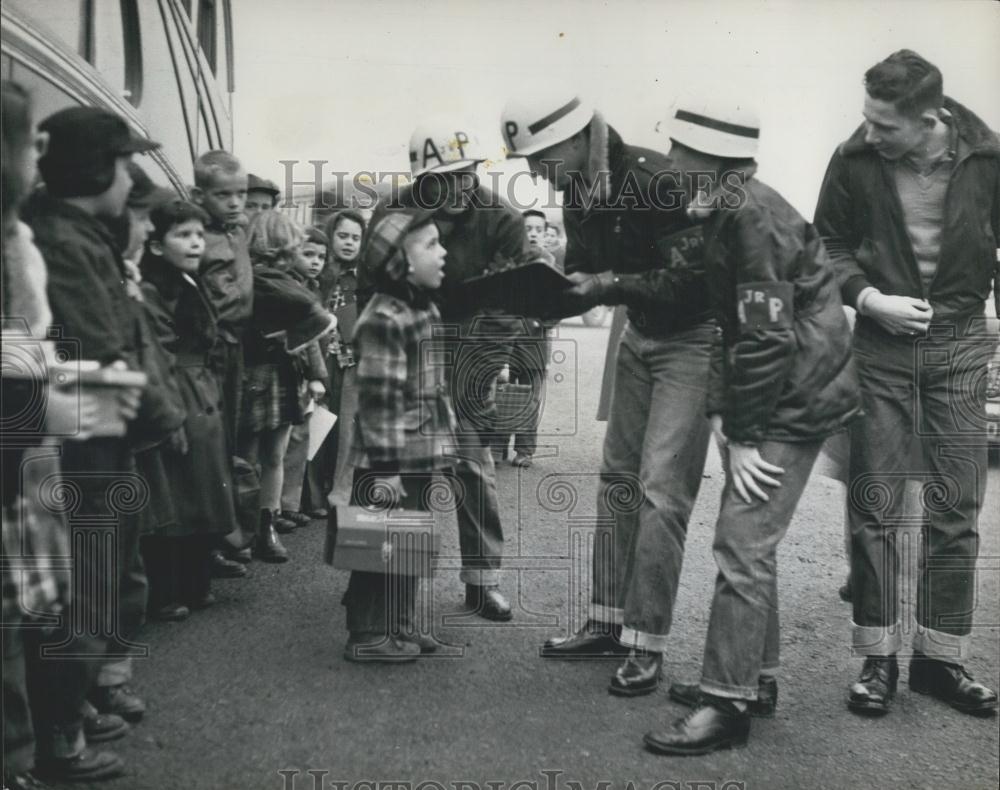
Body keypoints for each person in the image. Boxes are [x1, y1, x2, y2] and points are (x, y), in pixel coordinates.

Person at [641, 99, 859, 756]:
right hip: (788, 392)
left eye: (679, 154)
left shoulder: (749, 218)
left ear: (708, 162)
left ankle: (726, 705)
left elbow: (762, 339)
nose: (669, 165)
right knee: (749, 543)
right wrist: (717, 411)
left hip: (796, 398)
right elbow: (726, 328)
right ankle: (750, 679)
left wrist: (739, 433)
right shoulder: (729, 210)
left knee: (741, 545)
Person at [501, 92, 713, 694]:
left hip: (694, 341)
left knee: (662, 493)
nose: (534, 174)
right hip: (639, 336)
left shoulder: (653, 177)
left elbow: (689, 281)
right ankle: (607, 621)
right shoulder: (576, 193)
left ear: (573, 142)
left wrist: (604, 283)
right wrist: (547, 289)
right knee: (617, 480)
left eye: (540, 159)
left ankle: (647, 643)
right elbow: (587, 273)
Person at [814, 49, 999, 717]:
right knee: (875, 503)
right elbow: (826, 244)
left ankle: (939, 661)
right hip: (880, 345)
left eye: (883, 125)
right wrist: (867, 299)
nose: (869, 133)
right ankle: (878, 658)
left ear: (929, 120)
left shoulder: (989, 159)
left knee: (957, 508)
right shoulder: (854, 158)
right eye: (865, 118)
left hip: (958, 343)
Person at [21, 105, 155, 782]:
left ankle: (70, 715)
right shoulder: (66, 239)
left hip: (92, 432)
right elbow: (104, 346)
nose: (132, 176)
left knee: (89, 586)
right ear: (97, 167)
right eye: (126, 162)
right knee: (80, 591)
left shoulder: (72, 230)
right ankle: (63, 738)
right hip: (86, 442)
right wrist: (159, 413)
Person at [359, 121, 525, 622]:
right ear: (422, 180)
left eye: (469, 173)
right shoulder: (393, 210)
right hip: (405, 344)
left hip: (471, 344)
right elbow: (373, 284)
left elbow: (507, 301)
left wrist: (480, 368)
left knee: (473, 468)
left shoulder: (502, 217)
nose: (462, 186)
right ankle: (383, 600)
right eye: (448, 177)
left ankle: (483, 581)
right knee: (395, 473)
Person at [327, 208, 455, 662]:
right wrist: (386, 469)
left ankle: (399, 623)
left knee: (409, 539)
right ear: (399, 262)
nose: (443, 253)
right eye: (430, 245)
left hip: (419, 450)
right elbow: (378, 403)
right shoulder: (384, 317)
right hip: (390, 457)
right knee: (377, 545)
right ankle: (366, 633)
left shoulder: (422, 307)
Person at [138, 199, 240, 620]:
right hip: (181, 388)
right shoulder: (153, 289)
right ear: (157, 245)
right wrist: (172, 409)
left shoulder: (187, 281)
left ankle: (196, 583)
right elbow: (158, 349)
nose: (196, 243)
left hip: (203, 390)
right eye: (183, 234)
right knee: (179, 493)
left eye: (199, 234)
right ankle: (169, 591)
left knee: (202, 489)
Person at [238, 211, 329, 562]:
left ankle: (265, 525)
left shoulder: (286, 280)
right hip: (257, 372)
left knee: (271, 455)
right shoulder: (260, 280)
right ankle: (244, 528)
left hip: (281, 372)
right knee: (249, 457)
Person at [191, 150, 253, 566]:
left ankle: (218, 539)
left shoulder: (235, 232)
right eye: (223, 195)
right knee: (211, 447)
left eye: (240, 194)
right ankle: (206, 544)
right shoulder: (206, 239)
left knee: (228, 439)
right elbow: (226, 303)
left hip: (235, 347)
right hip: (216, 348)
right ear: (200, 195)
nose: (235, 203)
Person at [490, 209, 553, 468]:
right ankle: (497, 447)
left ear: (546, 233)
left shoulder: (548, 263)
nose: (534, 234)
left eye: (539, 229)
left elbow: (560, 302)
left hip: (534, 345)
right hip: (507, 342)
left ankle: (525, 450)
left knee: (529, 399)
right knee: (502, 394)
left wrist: (541, 320)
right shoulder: (509, 260)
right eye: (528, 229)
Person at [277, 225, 330, 530]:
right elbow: (306, 339)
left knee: (300, 438)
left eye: (321, 257)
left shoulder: (314, 287)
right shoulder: (294, 289)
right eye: (307, 254)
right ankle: (280, 506)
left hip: (305, 374)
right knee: (287, 439)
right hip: (297, 371)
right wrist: (316, 375)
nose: (315, 262)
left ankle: (289, 504)